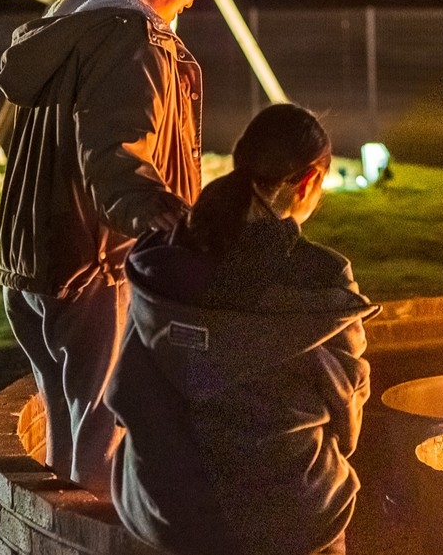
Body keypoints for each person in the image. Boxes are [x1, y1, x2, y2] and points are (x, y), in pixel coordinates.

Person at [0, 0, 222, 497]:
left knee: (66, 427)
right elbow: (118, 154)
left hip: (34, 260)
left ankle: (52, 535)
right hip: (99, 262)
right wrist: (173, 225)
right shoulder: (130, 38)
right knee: (103, 434)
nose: (193, 1)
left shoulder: (68, 26)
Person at [107, 103, 379, 555]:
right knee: (318, 500)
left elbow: (128, 387)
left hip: (165, 510)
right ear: (310, 180)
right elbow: (347, 414)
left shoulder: (162, 264)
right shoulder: (320, 277)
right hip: (288, 514)